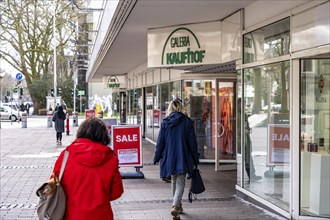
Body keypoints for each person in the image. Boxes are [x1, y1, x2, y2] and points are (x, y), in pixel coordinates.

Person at [50, 117, 124, 220]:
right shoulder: (110, 158)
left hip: (71, 215)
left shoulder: (66, 155)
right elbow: (117, 192)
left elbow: (53, 185)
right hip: (101, 215)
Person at [153, 98, 199, 220]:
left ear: (170, 109)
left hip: (169, 157)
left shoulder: (165, 123)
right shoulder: (187, 122)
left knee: (174, 180)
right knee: (180, 183)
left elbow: (160, 143)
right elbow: (192, 143)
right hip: (183, 157)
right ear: (181, 108)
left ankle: (178, 207)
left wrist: (156, 157)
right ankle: (175, 206)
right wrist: (195, 158)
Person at [237, 98, 262, 181]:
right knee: (247, 157)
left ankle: (251, 174)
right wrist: (244, 131)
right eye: (242, 104)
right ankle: (251, 174)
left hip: (245, 139)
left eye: (244, 104)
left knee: (248, 157)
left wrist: (248, 128)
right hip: (240, 139)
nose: (243, 106)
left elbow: (245, 125)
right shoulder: (237, 115)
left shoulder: (243, 114)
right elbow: (236, 128)